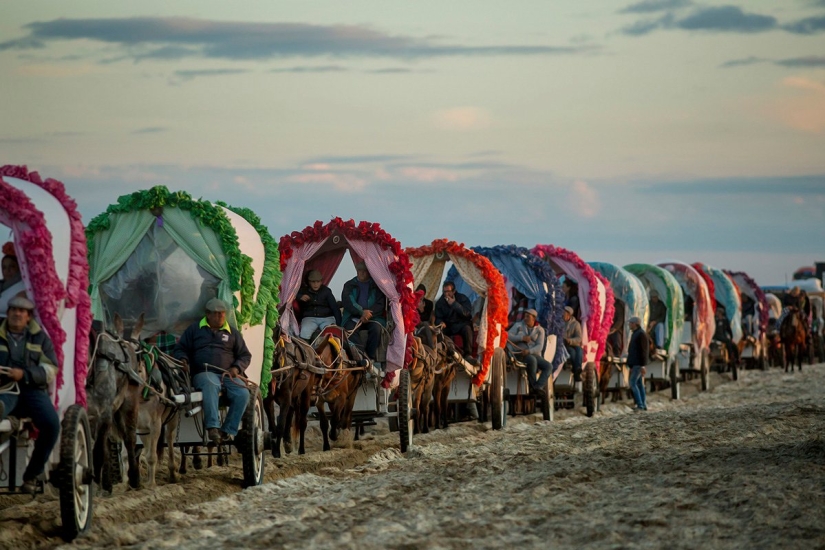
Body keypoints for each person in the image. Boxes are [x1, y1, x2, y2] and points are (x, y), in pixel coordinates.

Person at [0, 296, 60, 494]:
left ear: (28, 317)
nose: (17, 313)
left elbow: (51, 368)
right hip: (5, 389)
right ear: (7, 313)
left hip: (32, 391)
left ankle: (32, 475)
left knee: (51, 424)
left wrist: (25, 374)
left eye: (22, 311)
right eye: (14, 310)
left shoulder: (40, 338)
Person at [173, 298, 251, 445]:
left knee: (243, 393)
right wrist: (183, 359)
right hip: (203, 373)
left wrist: (236, 368)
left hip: (228, 374)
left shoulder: (233, 333)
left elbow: (245, 355)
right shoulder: (194, 329)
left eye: (222, 313)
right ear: (207, 314)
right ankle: (212, 427)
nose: (220, 316)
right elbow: (180, 348)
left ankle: (228, 430)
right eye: (216, 314)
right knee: (210, 383)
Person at [341, 261, 387, 365]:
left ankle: (370, 357)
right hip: (354, 316)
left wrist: (368, 314)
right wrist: (361, 312)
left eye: (364, 271)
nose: (362, 273)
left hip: (373, 317)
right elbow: (348, 302)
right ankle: (361, 356)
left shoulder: (376, 285)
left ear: (369, 273)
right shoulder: (349, 285)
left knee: (376, 329)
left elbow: (380, 304)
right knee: (349, 330)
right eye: (360, 271)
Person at [508, 308, 553, 393]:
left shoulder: (540, 330)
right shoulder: (518, 325)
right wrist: (521, 338)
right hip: (519, 353)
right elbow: (507, 336)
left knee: (549, 366)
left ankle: (537, 386)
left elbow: (540, 346)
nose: (525, 318)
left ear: (534, 318)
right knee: (532, 360)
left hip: (533, 354)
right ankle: (533, 386)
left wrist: (529, 351)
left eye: (528, 317)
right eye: (525, 316)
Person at [435, 281, 475, 362]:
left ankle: (467, 355)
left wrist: (454, 304)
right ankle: (445, 355)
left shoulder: (462, 298)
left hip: (461, 324)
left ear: (454, 291)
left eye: (448, 292)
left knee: (467, 329)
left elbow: (467, 314)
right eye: (444, 292)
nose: (446, 294)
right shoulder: (440, 302)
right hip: (449, 326)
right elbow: (438, 317)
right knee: (439, 331)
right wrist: (440, 322)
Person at [296, 270, 341, 340]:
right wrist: (300, 297)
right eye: (313, 282)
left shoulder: (326, 291)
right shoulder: (303, 291)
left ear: (321, 282)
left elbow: (334, 307)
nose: (315, 284)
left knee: (331, 334)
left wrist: (339, 324)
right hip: (310, 318)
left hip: (327, 318)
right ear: (309, 282)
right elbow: (292, 295)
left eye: (318, 282)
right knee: (304, 332)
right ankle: (306, 350)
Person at [626, 316, 649, 411]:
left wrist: (643, 365)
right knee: (639, 384)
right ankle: (643, 405)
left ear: (635, 324)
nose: (629, 324)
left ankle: (640, 404)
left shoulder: (640, 334)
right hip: (636, 364)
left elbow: (643, 351)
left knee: (632, 383)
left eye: (630, 323)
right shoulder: (637, 333)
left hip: (638, 364)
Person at [0, 245, 26, 319]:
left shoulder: (23, 286)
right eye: (4, 267)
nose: (7, 271)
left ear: (19, 267)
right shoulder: (2, 286)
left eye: (11, 266)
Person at [562, 306, 583, 386]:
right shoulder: (559, 323)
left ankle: (578, 368)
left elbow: (579, 338)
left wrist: (570, 340)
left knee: (579, 350)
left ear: (569, 315)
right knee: (572, 352)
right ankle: (576, 371)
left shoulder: (575, 324)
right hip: (564, 346)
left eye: (564, 313)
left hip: (573, 344)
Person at [415, 283, 435, 349]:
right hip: (414, 323)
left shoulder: (429, 304)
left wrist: (422, 310)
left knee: (426, 324)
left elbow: (427, 319)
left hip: (424, 323)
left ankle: (431, 346)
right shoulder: (412, 302)